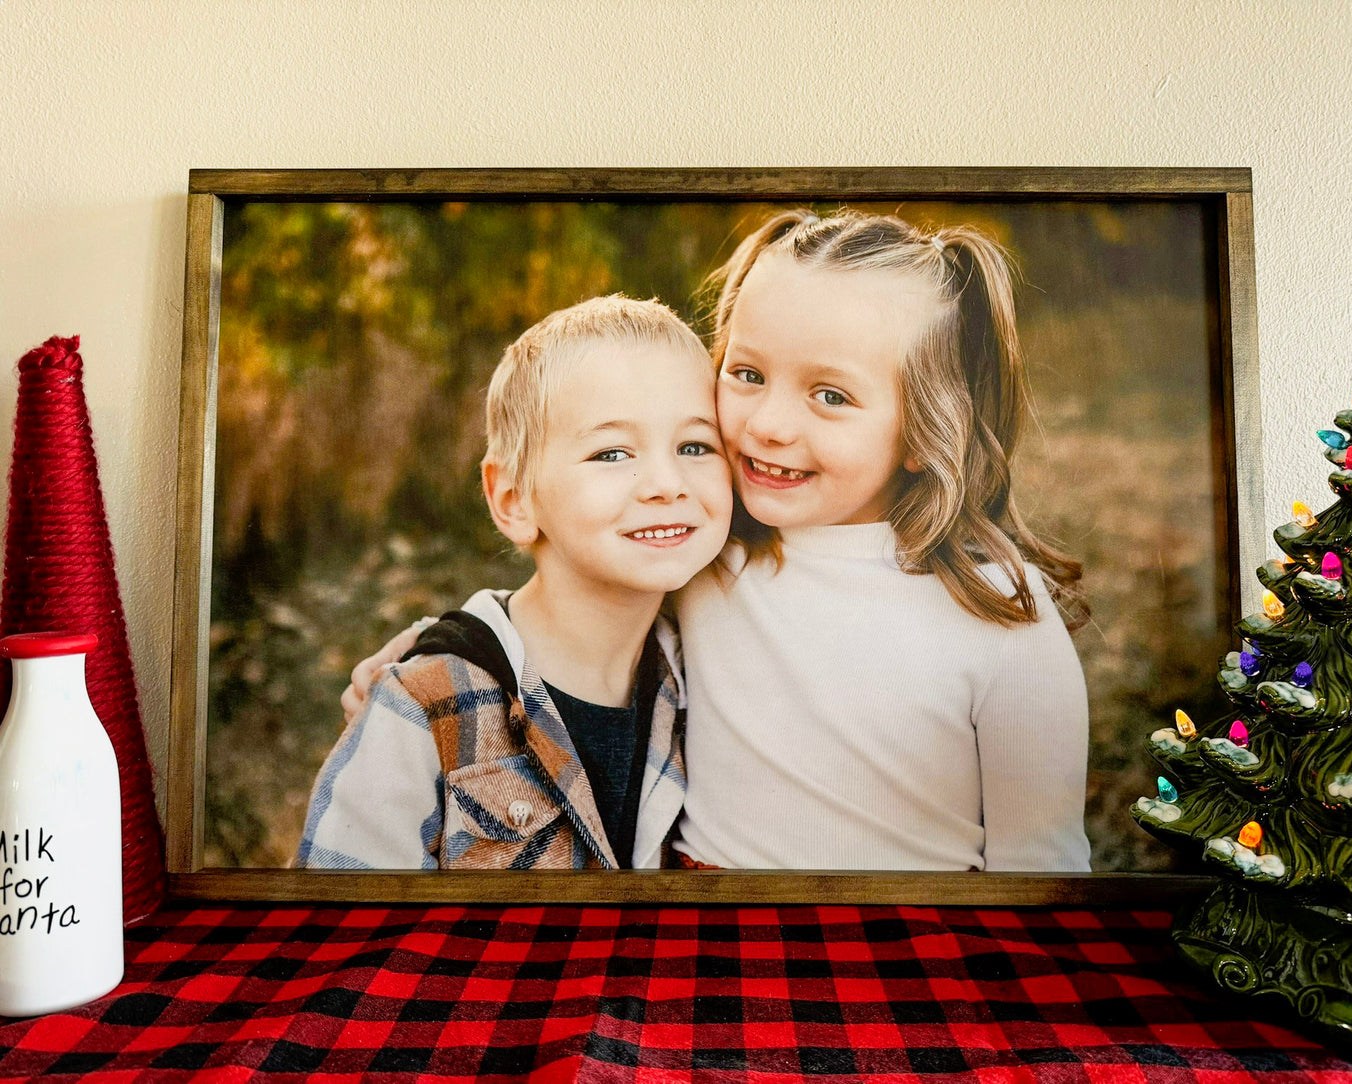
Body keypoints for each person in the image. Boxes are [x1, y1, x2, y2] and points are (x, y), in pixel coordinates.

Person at [341, 210, 1091, 873]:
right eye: (746, 373)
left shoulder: (998, 614)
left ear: (927, 429)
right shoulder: (709, 547)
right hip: (704, 937)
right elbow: (569, 600)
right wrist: (436, 651)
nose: (768, 423)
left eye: (829, 395)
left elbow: (1043, 863)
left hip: (909, 948)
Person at [296, 295, 733, 870]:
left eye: (695, 446)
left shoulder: (702, 680)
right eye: (611, 452)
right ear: (513, 500)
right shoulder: (427, 703)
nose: (666, 482)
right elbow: (336, 920)